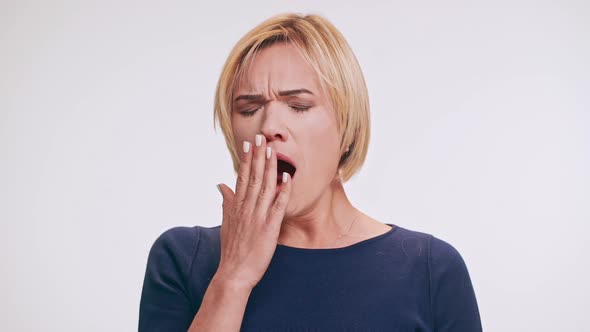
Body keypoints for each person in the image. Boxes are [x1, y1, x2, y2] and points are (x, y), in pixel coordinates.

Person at [139, 13, 482, 331]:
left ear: (346, 123)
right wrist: (233, 278)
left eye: (299, 106)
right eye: (249, 108)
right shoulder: (184, 258)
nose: (270, 125)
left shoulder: (430, 270)